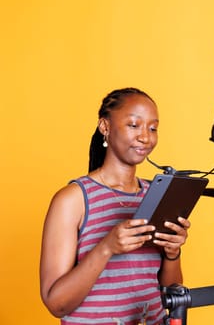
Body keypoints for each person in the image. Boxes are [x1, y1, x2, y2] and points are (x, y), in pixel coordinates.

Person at [40, 87, 189, 324]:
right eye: (134, 125)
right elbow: (56, 304)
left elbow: (171, 292)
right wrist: (107, 247)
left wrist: (173, 253)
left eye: (153, 128)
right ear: (105, 127)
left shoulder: (157, 194)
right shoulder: (73, 200)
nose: (145, 137)